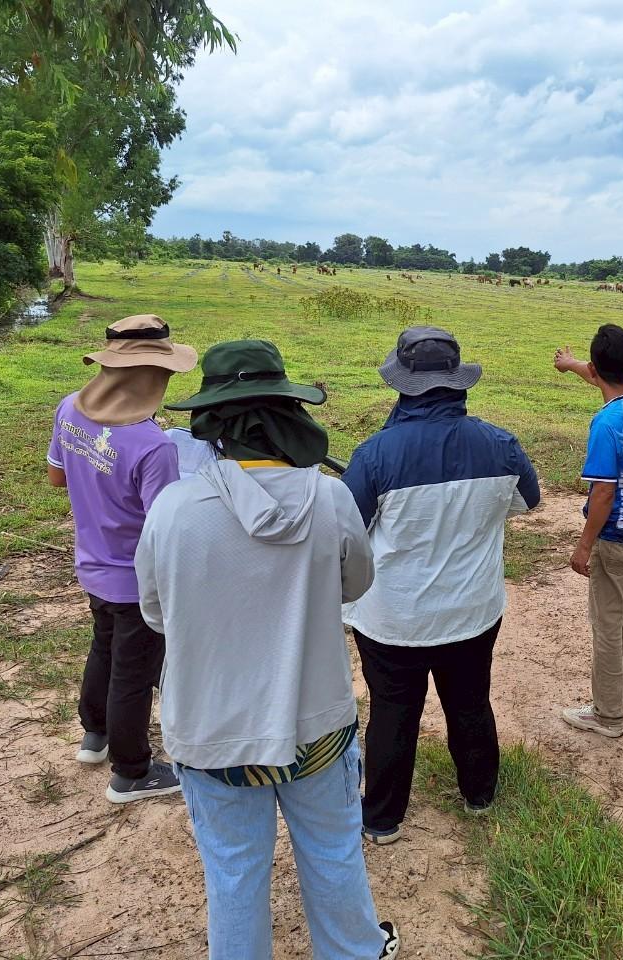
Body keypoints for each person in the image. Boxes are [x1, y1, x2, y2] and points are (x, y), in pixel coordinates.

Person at [135, 339, 399, 960]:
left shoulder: (173, 508)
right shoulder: (332, 499)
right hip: (316, 724)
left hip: (212, 729)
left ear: (211, 425)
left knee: (233, 874)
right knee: (333, 853)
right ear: (288, 413)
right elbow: (355, 585)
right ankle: (356, 950)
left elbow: (155, 612)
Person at [342, 327, 540, 844]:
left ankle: (383, 819)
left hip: (393, 617)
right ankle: (480, 795)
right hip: (473, 611)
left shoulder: (374, 455)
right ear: (458, 382)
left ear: (402, 385)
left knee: (392, 712)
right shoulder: (501, 444)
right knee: (471, 702)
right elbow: (527, 501)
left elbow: (348, 533)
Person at [46, 314, 196, 803]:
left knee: (104, 648)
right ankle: (131, 771)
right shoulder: (154, 446)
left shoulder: (70, 409)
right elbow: (165, 528)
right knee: (133, 671)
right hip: (136, 581)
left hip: (92, 563)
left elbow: (57, 479)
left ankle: (95, 734)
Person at [554, 325, 623, 738]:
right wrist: (571, 365)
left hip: (614, 540)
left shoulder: (604, 425)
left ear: (596, 369)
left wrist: (583, 546)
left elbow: (602, 496)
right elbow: (604, 373)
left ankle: (608, 715)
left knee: (606, 624)